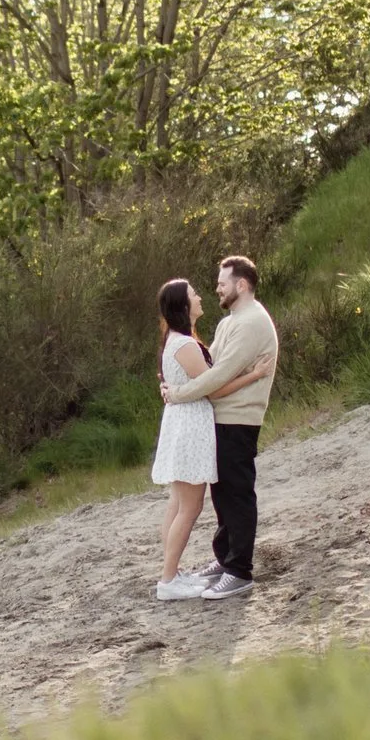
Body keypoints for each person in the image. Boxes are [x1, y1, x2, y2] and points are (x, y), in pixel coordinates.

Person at [158, 255, 278, 600]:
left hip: (239, 418)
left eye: (222, 283)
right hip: (220, 418)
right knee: (223, 496)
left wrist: (176, 393)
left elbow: (217, 377)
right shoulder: (231, 321)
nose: (216, 288)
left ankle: (239, 570)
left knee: (237, 495)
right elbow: (210, 364)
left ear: (241, 285)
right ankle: (226, 560)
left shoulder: (251, 321)